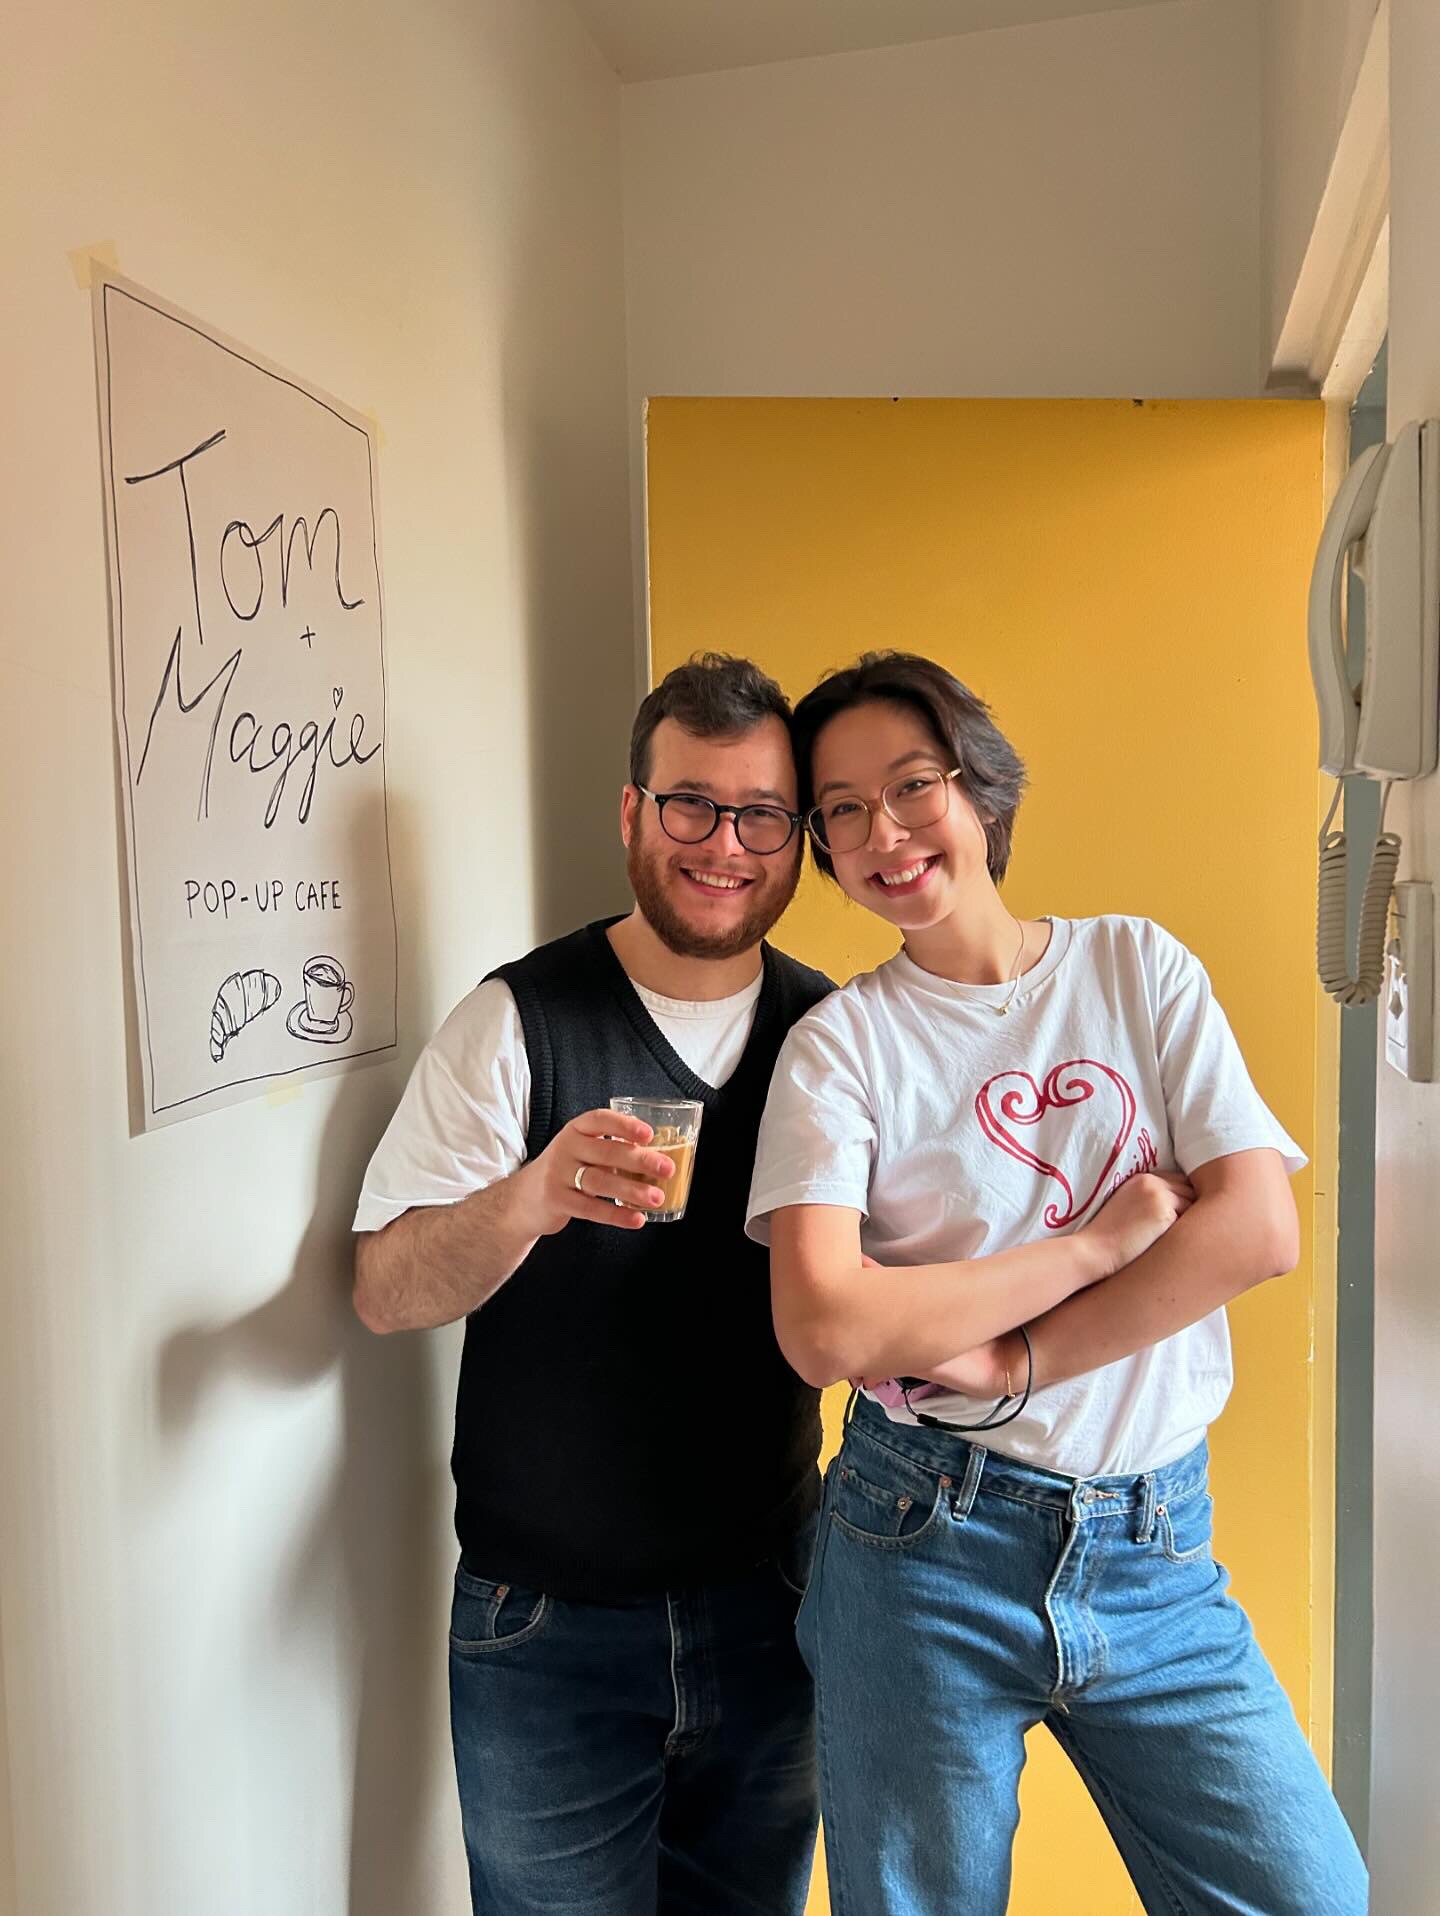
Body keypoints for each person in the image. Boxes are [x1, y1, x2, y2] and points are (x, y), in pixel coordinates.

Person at [746, 651, 1369, 1916]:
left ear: (979, 785)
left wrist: (1022, 1357)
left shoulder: (1136, 968)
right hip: (921, 1546)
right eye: (843, 812)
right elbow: (825, 1323)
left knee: (1311, 1892)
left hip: (1154, 1547)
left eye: (912, 785)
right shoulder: (841, 1047)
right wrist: (1104, 1243)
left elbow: (1255, 1227)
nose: (885, 832)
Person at [352, 654, 834, 1916]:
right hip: (541, 1630)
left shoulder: (833, 1037)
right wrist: (531, 1195)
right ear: (631, 812)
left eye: (760, 813)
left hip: (771, 1604)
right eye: (689, 803)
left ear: (795, 839)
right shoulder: (515, 1023)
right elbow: (385, 1290)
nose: (723, 843)